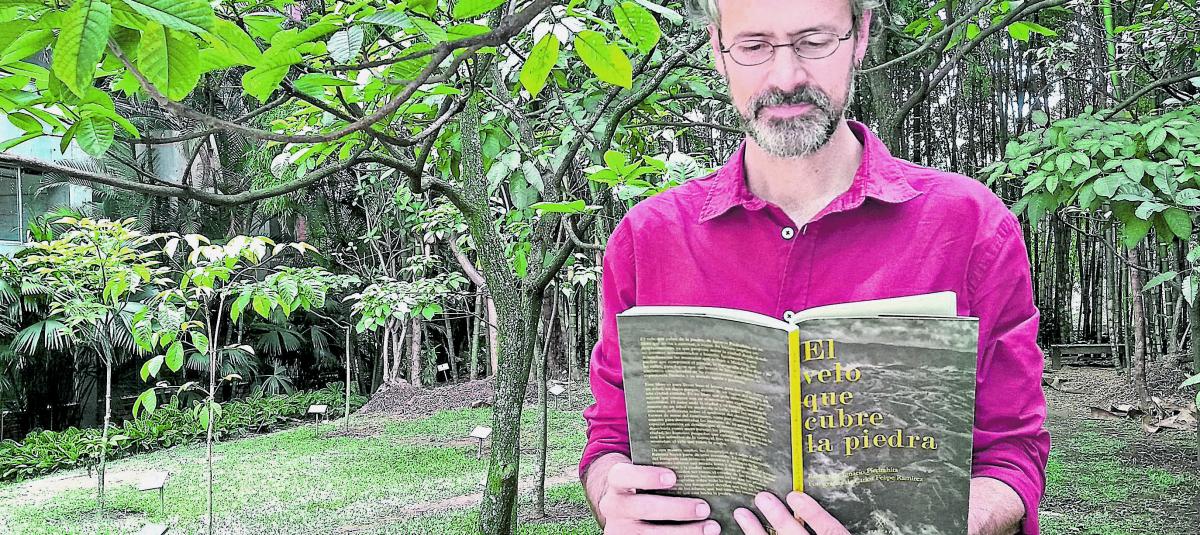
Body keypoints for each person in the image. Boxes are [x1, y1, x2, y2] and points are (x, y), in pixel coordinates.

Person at [578, 0, 1051, 534]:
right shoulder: (648, 238)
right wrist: (614, 497)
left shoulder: (968, 226)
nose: (786, 77)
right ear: (717, 48)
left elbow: (1010, 453)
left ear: (860, 34)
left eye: (814, 41)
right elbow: (610, 440)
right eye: (754, 46)